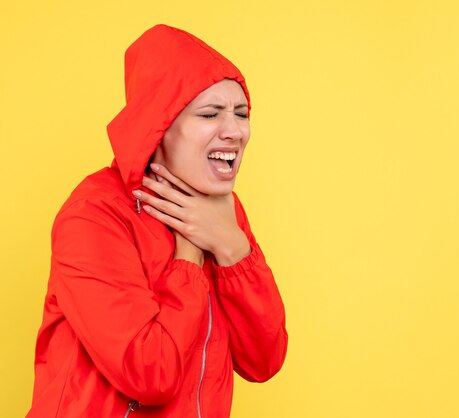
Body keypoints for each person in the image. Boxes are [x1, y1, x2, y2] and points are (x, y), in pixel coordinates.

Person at [26, 24, 288, 418]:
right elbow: (150, 375)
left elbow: (263, 360)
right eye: (210, 114)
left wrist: (233, 248)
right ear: (160, 125)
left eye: (242, 113)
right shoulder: (94, 216)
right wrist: (189, 254)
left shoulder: (221, 213)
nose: (234, 131)